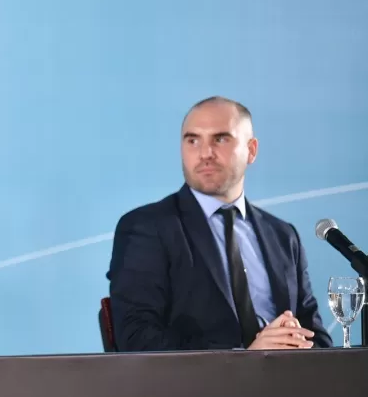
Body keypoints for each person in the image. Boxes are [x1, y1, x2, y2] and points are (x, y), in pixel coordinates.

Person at [106, 96, 332, 352]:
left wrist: (300, 348)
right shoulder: (147, 228)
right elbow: (137, 339)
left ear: (252, 150)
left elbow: (318, 338)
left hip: (291, 385)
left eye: (220, 139)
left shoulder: (282, 236)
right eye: (193, 140)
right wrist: (246, 359)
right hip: (200, 390)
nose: (205, 154)